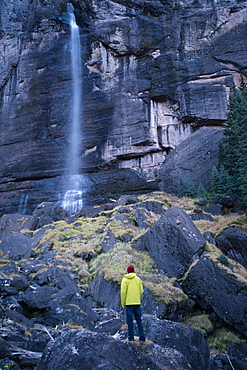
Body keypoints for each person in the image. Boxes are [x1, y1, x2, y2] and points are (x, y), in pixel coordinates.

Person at [120, 265, 145, 342]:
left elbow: (123, 293)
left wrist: (123, 304)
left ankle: (131, 338)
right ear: (134, 271)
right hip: (137, 303)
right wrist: (138, 299)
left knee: (130, 321)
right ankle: (142, 338)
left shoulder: (125, 279)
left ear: (127, 271)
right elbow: (141, 291)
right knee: (139, 320)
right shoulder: (138, 279)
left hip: (129, 304)